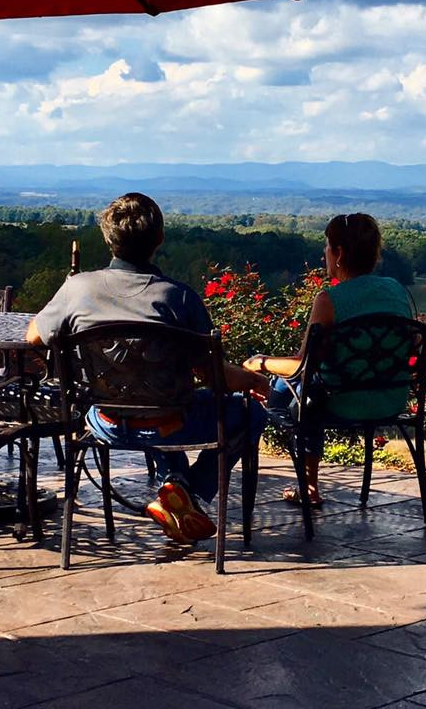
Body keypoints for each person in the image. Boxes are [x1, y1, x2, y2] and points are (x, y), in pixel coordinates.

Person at [26, 192, 269, 545]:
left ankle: (177, 488)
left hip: (104, 421)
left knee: (151, 396)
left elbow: (34, 335)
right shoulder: (178, 297)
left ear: (109, 239)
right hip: (168, 424)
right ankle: (188, 489)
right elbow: (215, 378)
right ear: (159, 238)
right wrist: (252, 379)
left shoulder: (77, 289)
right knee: (247, 414)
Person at [243, 212, 412, 507]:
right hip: (391, 399)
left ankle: (309, 488)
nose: (324, 253)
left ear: (339, 253)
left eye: (326, 247)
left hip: (343, 404)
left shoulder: (329, 300)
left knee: (301, 391)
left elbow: (300, 366)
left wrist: (260, 362)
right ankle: (274, 392)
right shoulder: (397, 290)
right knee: (295, 387)